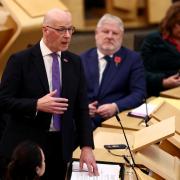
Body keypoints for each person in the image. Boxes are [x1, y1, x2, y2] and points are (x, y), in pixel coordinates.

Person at [0, 8, 98, 180]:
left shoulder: (74, 62)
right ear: (45, 30)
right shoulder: (20, 60)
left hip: (60, 149)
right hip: (26, 150)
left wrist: (87, 147)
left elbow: (81, 108)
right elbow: (3, 100)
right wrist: (36, 105)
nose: (67, 35)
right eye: (61, 30)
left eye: (70, 29)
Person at [80, 14, 146, 129]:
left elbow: (139, 93)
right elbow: (70, 93)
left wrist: (116, 106)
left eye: (115, 33)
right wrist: (82, 107)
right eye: (105, 32)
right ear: (96, 34)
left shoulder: (132, 59)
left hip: (117, 120)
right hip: (84, 120)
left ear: (121, 37)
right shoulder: (81, 59)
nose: (110, 36)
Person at [140, 2, 180, 97]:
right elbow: (139, 72)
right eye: (179, 23)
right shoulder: (153, 40)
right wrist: (163, 82)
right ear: (171, 21)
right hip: (160, 93)